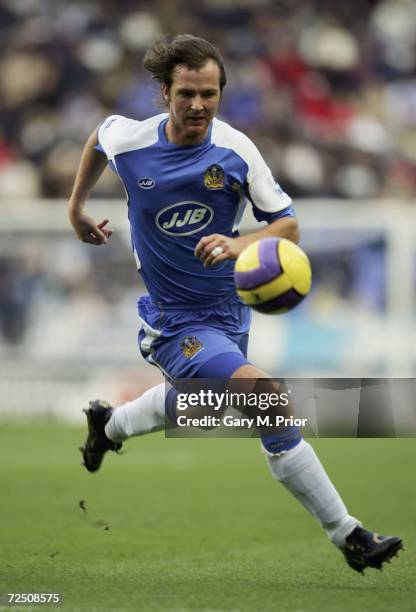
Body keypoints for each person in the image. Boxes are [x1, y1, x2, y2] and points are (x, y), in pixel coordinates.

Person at [68, 34, 403, 574]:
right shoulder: (131, 141)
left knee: (203, 406)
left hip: (228, 316)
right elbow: (98, 139)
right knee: (267, 397)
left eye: (209, 93)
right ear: (164, 93)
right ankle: (350, 535)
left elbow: (287, 225)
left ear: (221, 92)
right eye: (186, 94)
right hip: (173, 322)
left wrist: (238, 244)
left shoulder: (236, 150)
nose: (198, 105)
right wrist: (77, 208)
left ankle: (108, 428)